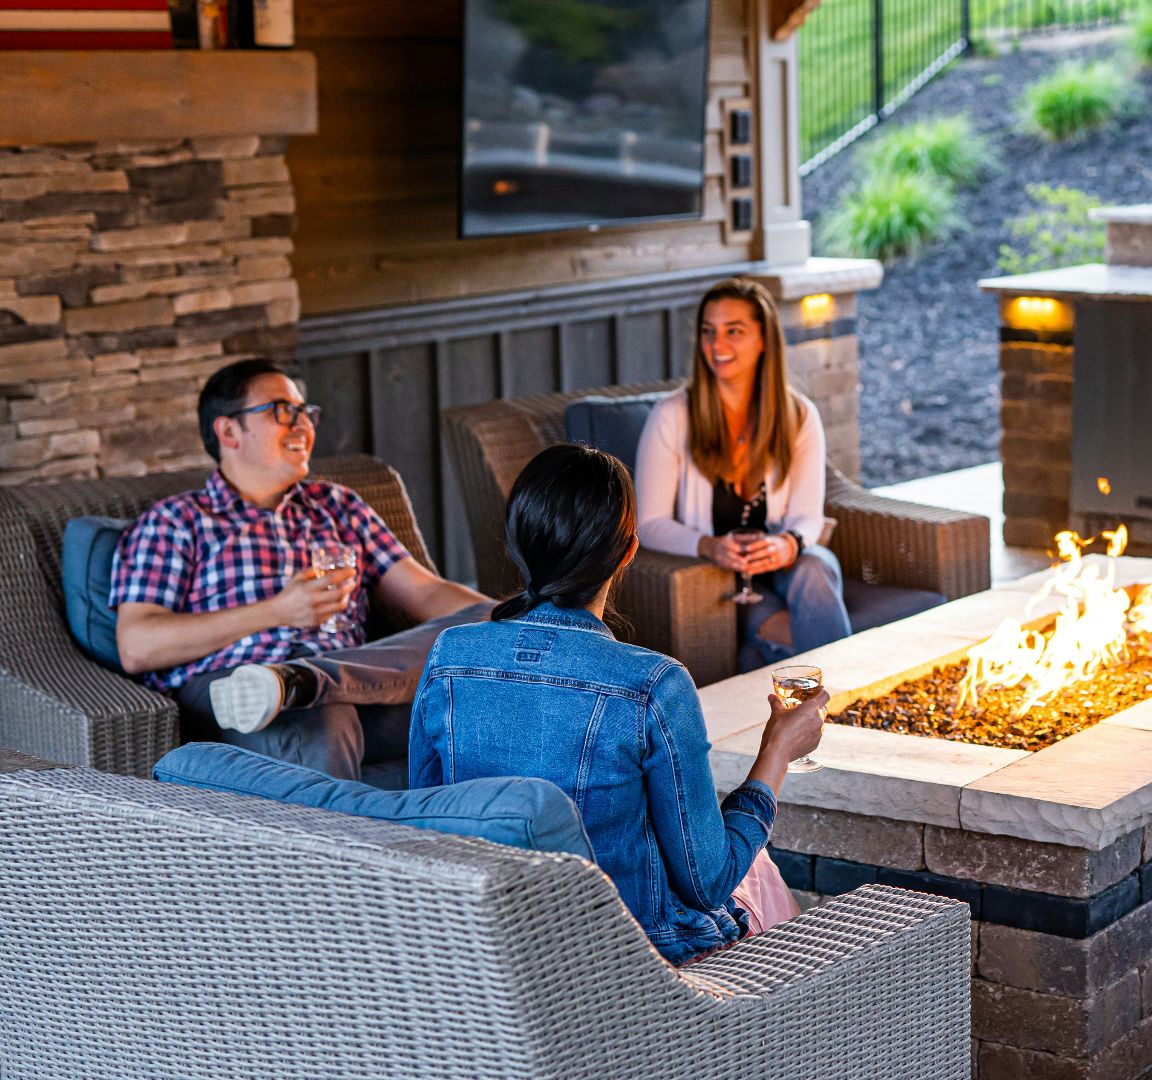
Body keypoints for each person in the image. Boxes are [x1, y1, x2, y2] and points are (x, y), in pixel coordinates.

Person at [410, 444, 824, 963]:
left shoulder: (450, 656)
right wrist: (777, 752)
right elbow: (707, 882)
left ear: (517, 546)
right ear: (629, 551)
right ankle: (784, 1028)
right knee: (755, 866)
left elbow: (428, 821)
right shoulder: (655, 684)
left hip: (499, 947)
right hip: (633, 965)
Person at [110, 359, 492, 782]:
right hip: (240, 693)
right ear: (229, 431)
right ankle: (292, 686)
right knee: (321, 715)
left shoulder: (337, 505)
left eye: (304, 413)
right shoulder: (177, 521)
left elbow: (424, 593)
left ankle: (305, 680)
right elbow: (137, 645)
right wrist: (277, 611)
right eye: (280, 411)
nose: (303, 426)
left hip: (357, 679)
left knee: (484, 622)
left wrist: (526, 617)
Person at [635, 277, 851, 671]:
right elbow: (648, 523)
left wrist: (788, 544)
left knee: (816, 563)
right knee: (777, 641)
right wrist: (708, 546)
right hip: (715, 577)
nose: (717, 346)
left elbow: (808, 514)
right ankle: (844, 690)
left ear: (764, 338)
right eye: (708, 332)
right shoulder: (672, 417)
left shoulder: (798, 415)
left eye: (734, 331)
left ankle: (803, 689)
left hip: (782, 568)